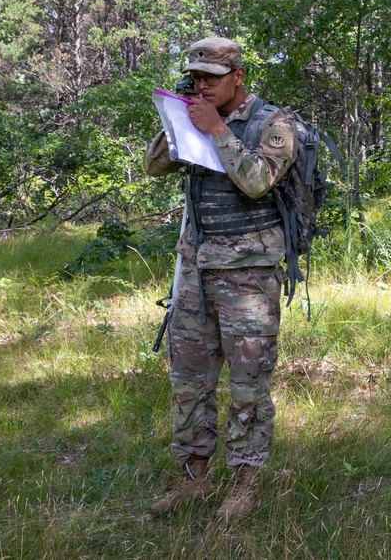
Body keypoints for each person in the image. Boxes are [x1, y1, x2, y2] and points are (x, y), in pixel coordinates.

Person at [143, 37, 297, 522]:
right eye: (195, 76)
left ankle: (245, 483)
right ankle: (193, 478)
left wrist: (217, 131)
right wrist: (176, 123)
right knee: (189, 379)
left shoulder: (273, 125)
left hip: (247, 274)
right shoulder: (193, 111)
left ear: (238, 76)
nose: (201, 84)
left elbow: (257, 181)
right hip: (195, 268)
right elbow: (153, 167)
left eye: (210, 76)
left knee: (249, 382)